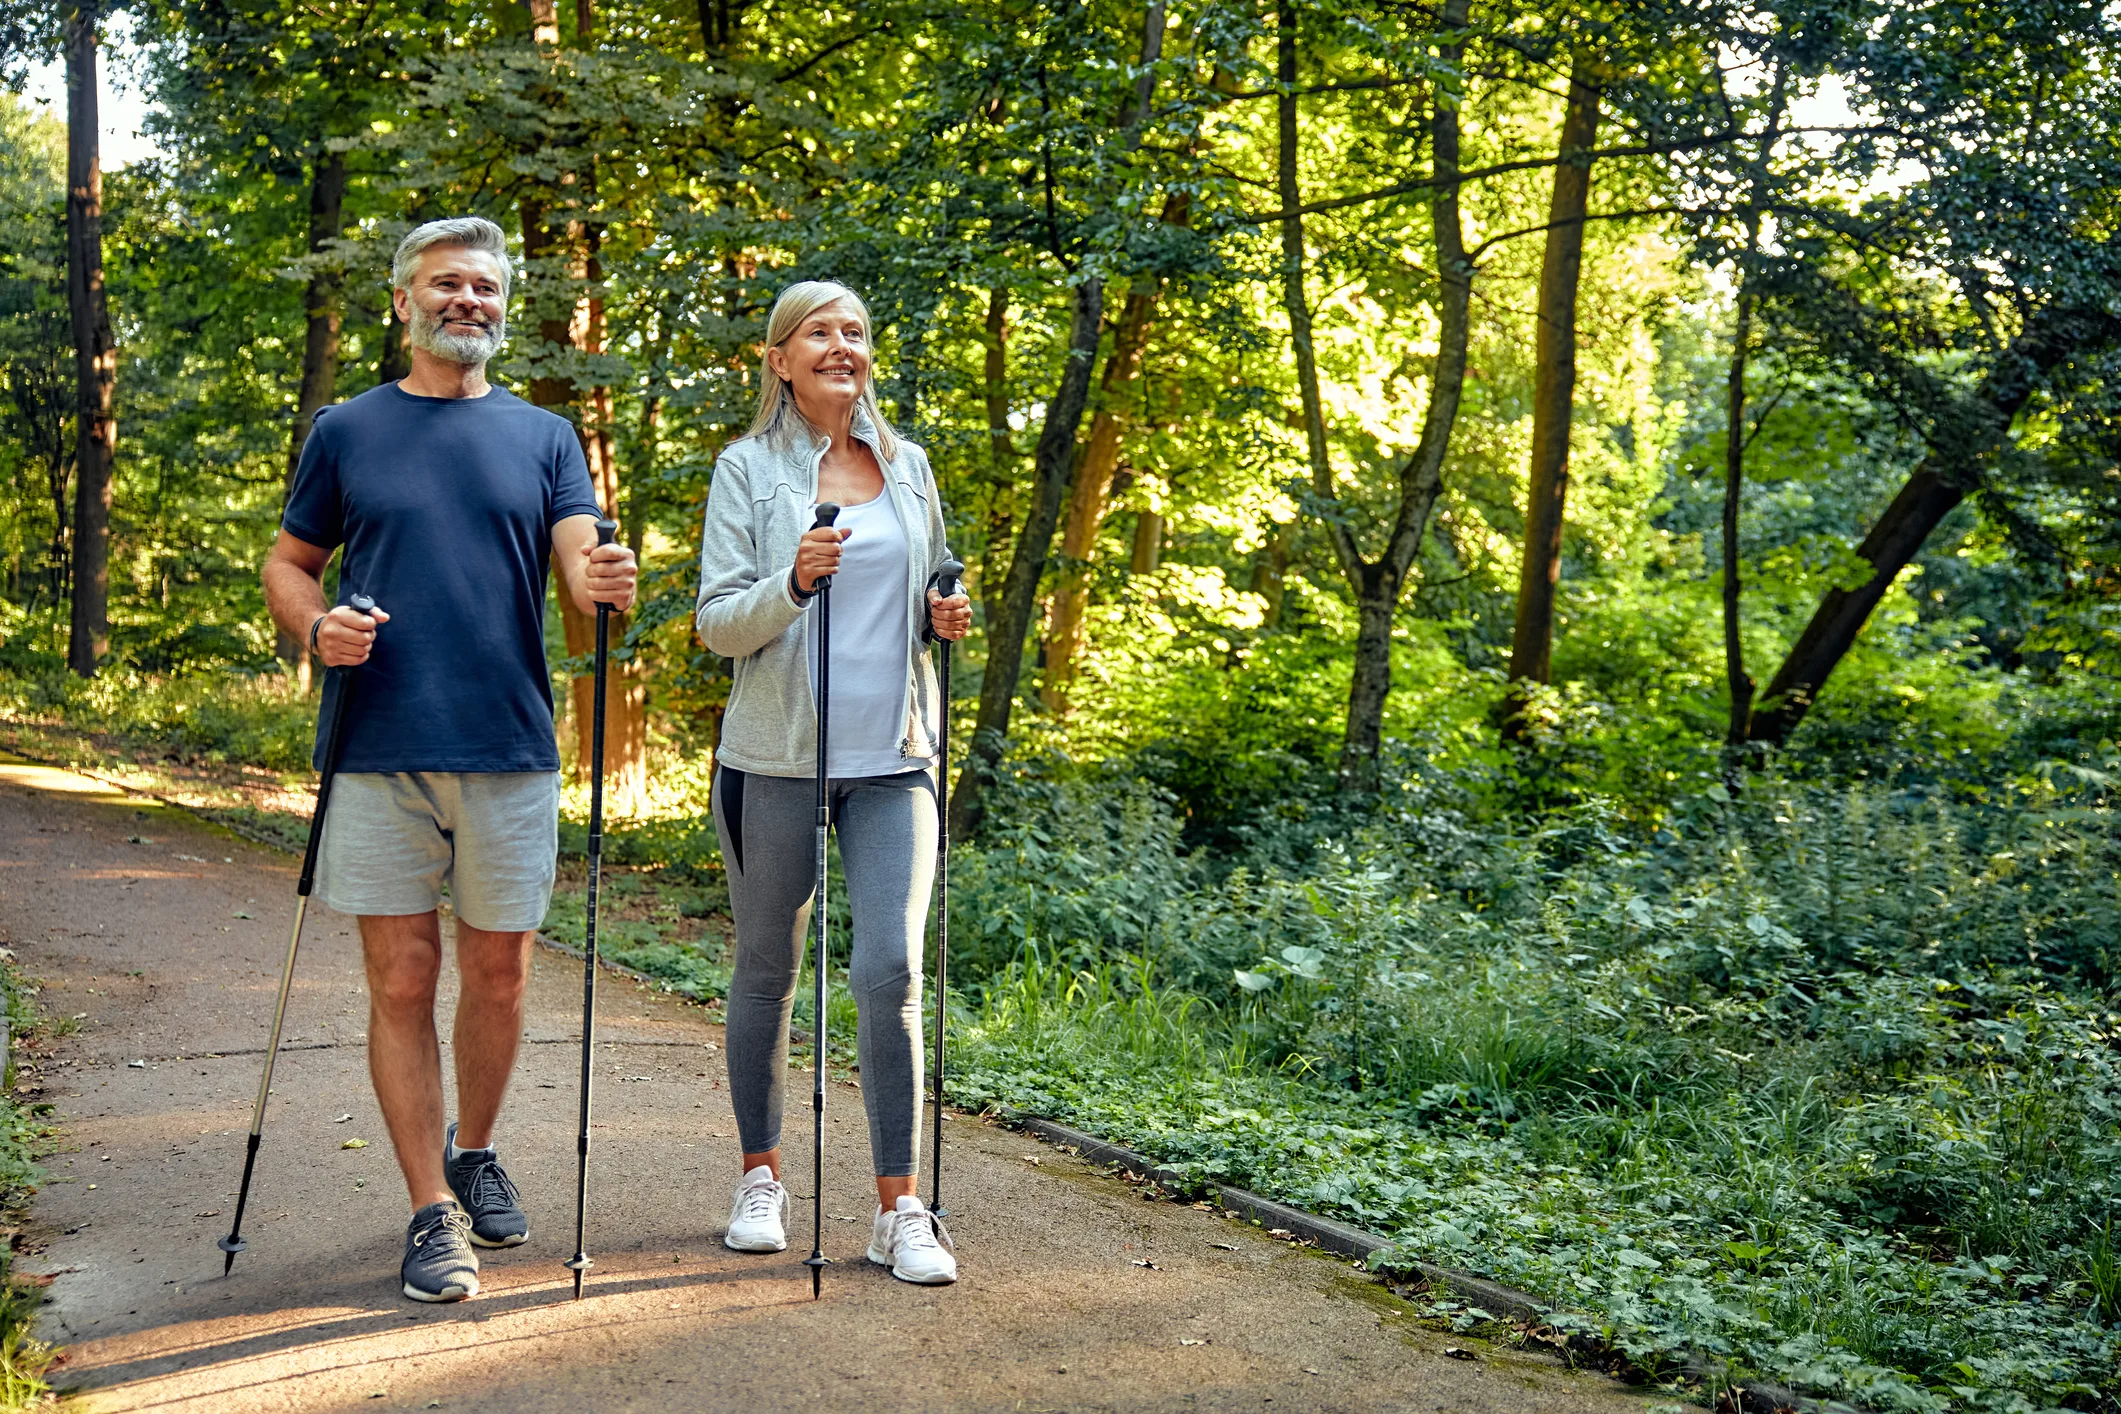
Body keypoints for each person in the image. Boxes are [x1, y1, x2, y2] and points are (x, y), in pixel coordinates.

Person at [261, 216, 638, 1303]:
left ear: (503, 308)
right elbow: (291, 563)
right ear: (404, 301)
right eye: (446, 285)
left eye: (483, 287)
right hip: (378, 744)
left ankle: (476, 1148)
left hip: (510, 743)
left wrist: (601, 579)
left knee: (503, 975)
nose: (466, 301)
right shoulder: (347, 429)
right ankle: (432, 1208)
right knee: (403, 977)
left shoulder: (545, 437)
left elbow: (578, 568)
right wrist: (317, 624)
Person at [695, 280, 972, 1285]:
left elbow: (934, 580)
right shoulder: (748, 471)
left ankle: (899, 1206)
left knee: (889, 972)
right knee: (768, 965)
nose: (841, 346)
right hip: (774, 758)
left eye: (856, 331)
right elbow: (718, 622)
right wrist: (794, 582)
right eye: (820, 332)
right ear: (780, 359)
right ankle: (760, 1175)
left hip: (894, 759)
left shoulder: (909, 467)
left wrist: (945, 608)